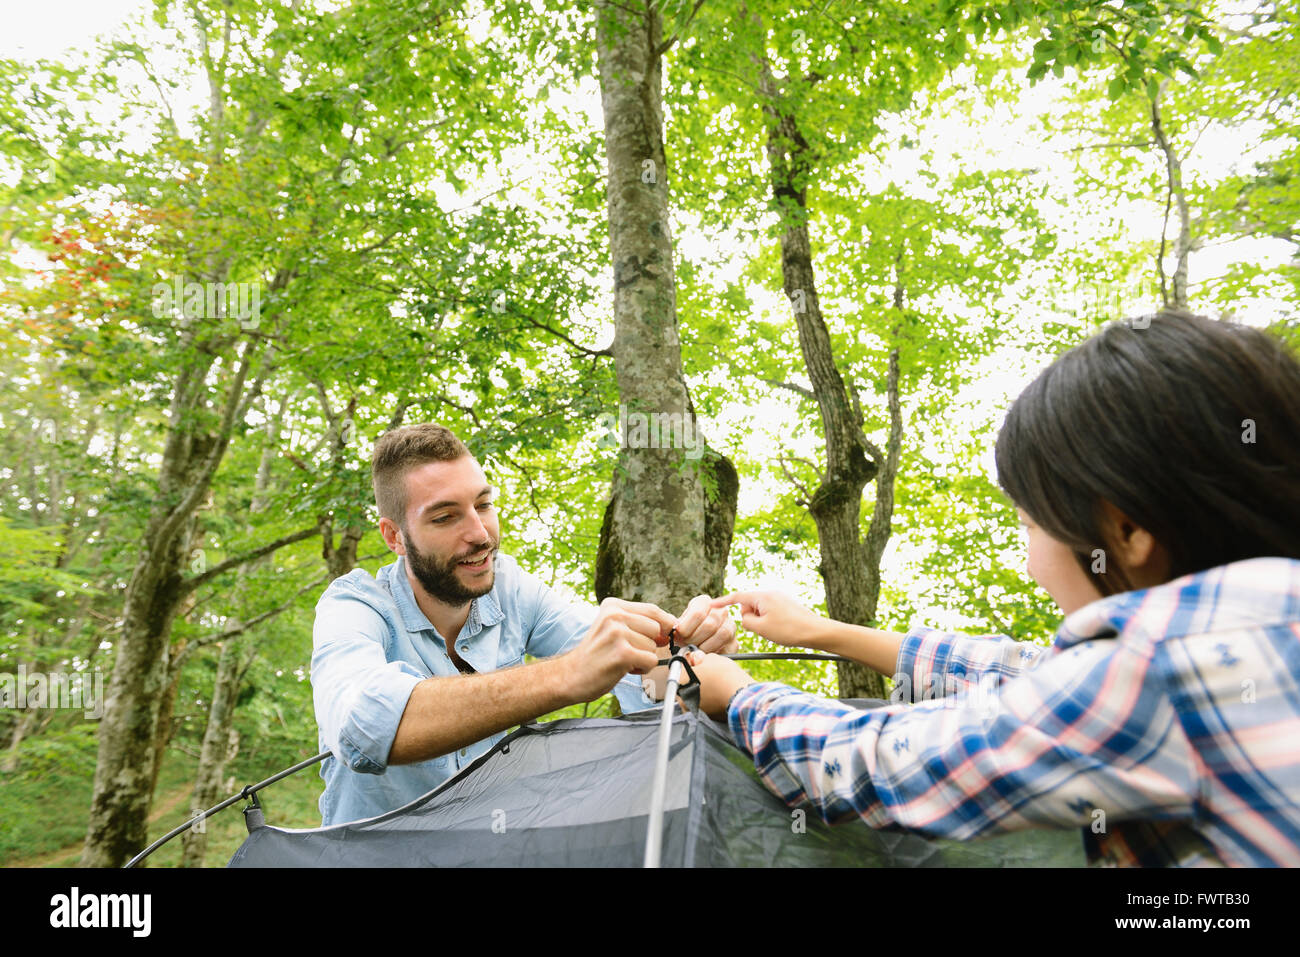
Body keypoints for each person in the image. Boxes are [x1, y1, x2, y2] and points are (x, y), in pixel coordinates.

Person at [686, 310, 1300, 866]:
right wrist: (822, 632)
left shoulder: (1158, 669)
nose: (1032, 561)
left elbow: (887, 763)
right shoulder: (1249, 629)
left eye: (1031, 524)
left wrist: (737, 694)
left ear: (1127, 527)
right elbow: (1028, 679)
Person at [311, 423, 737, 825]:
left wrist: (681, 655)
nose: (480, 534)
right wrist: (567, 675)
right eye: (445, 517)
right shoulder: (354, 605)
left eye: (483, 505)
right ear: (395, 537)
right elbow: (362, 726)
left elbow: (634, 675)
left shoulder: (512, 587)